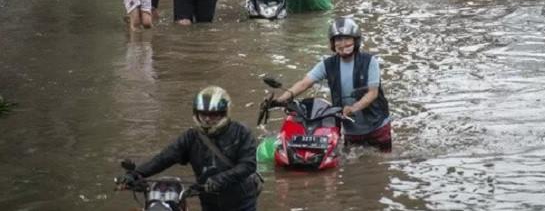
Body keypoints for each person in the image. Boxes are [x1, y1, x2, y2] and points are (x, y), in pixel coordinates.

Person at [118, 86, 260, 211]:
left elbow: (248, 165)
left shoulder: (241, 132)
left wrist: (220, 179)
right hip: (209, 202)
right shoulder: (191, 137)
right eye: (203, 114)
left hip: (242, 201)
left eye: (213, 115)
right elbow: (164, 158)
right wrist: (136, 174)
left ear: (225, 113)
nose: (207, 119)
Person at [271, 18, 391, 151]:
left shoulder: (370, 62)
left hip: (377, 125)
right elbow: (304, 83)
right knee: (351, 166)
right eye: (338, 39)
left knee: (382, 163)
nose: (342, 43)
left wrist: (354, 107)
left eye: (347, 39)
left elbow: (372, 93)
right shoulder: (327, 65)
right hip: (350, 129)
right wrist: (279, 100)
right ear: (333, 43)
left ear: (355, 40)